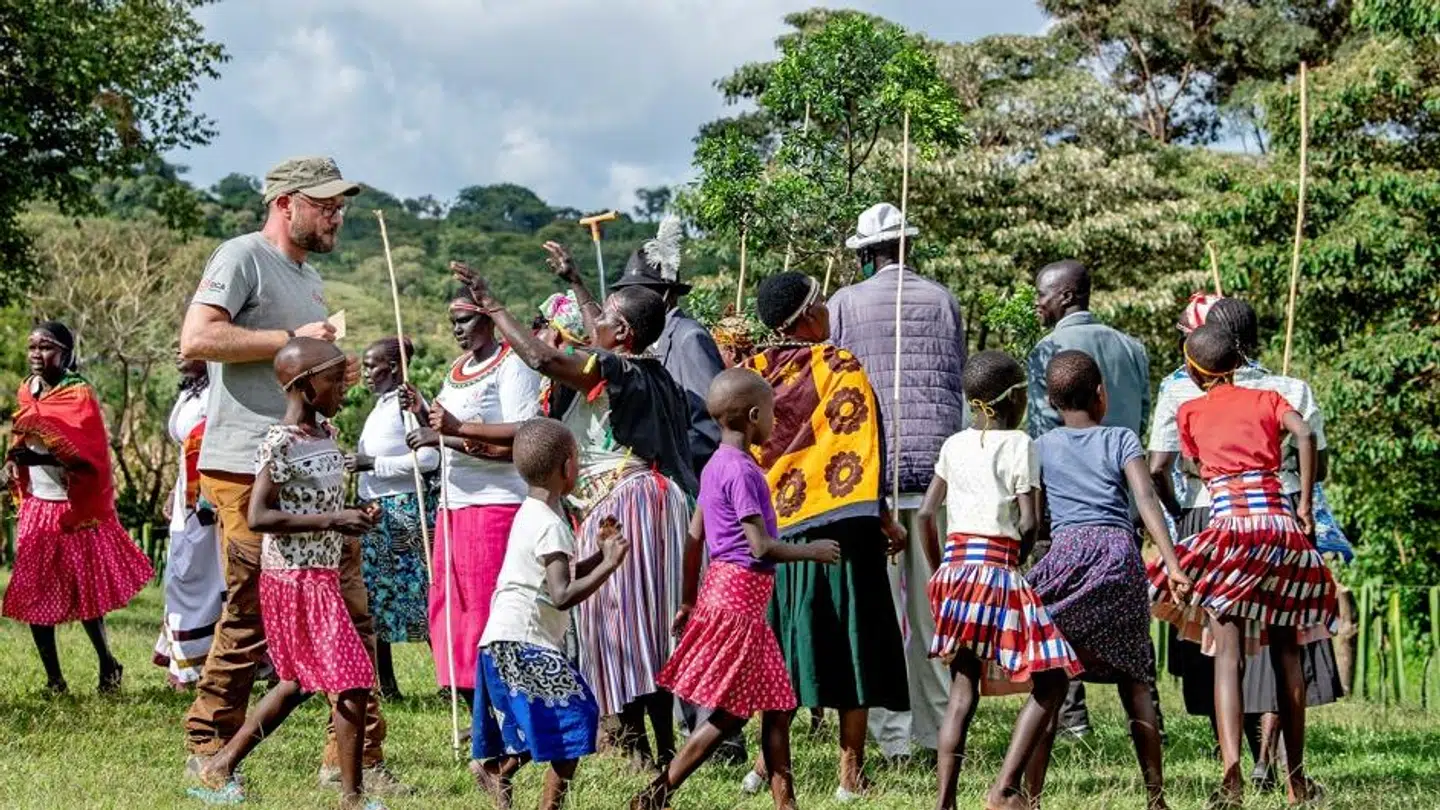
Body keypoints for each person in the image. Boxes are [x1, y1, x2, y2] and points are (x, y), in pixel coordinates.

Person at [178, 157, 401, 793]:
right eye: (326, 205)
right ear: (286, 203)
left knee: (352, 613)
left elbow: (296, 359)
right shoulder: (242, 256)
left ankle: (353, 762)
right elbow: (197, 339)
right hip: (248, 467)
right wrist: (289, 339)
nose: (337, 216)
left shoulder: (311, 277)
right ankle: (209, 747)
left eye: (340, 207)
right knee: (251, 612)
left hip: (315, 470)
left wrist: (329, 366)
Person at [449, 258, 696, 771]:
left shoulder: (611, 370)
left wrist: (492, 303)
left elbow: (540, 357)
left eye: (601, 318)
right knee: (652, 627)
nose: (590, 323)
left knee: (618, 626)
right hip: (661, 505)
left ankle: (638, 748)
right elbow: (601, 331)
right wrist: (578, 283)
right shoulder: (653, 373)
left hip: (625, 505)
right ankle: (663, 747)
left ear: (622, 333)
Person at [1148, 295, 1348, 788]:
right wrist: (1304, 507)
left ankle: (1232, 776)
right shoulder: (1273, 398)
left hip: (1230, 531)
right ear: (1238, 361)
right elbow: (1304, 437)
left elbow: (1188, 465)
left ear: (1194, 371)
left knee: (1227, 656)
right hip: (1281, 528)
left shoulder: (1189, 410)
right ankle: (1296, 780)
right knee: (1288, 652)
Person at [633, 369, 842, 810]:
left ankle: (785, 803)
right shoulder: (744, 471)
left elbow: (694, 538)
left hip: (724, 593)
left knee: (777, 706)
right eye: (771, 411)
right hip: (740, 601)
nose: (774, 419)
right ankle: (655, 794)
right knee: (733, 713)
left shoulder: (714, 465)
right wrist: (814, 551)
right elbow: (760, 546)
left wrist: (689, 600)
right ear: (753, 416)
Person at [188, 338, 382, 810]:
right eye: (335, 381)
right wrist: (333, 521)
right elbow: (258, 515)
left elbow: (319, 502)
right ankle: (352, 799)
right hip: (295, 579)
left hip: (321, 574)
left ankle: (220, 767)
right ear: (305, 385)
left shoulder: (326, 433)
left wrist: (354, 516)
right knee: (353, 680)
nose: (343, 390)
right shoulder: (281, 443)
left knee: (297, 683)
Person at [739, 271, 909, 802]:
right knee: (853, 642)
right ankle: (849, 772)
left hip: (778, 538)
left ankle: (765, 766)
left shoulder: (752, 373)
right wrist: (886, 521)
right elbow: (863, 452)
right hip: (843, 533)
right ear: (810, 316)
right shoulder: (841, 367)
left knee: (785, 644)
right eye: (823, 302)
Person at [1023, 350, 1191, 810]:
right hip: (1118, 556)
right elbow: (1146, 498)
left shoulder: (1041, 446)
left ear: (1051, 401)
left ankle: (1031, 798)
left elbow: (1033, 518)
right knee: (1135, 680)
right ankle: (1156, 798)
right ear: (1101, 395)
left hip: (1065, 557)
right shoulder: (1121, 438)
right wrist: (1173, 564)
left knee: (1049, 682)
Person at [916, 349, 1083, 810]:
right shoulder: (1020, 444)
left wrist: (941, 569)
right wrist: (1016, 561)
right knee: (1052, 680)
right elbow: (1029, 521)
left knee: (962, 691)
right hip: (996, 568)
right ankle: (1006, 789)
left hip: (955, 571)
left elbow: (926, 514)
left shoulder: (953, 445)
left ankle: (945, 803)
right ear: (1012, 399)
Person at [830, 202, 967, 761]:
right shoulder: (943, 300)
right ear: (907, 248)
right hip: (936, 474)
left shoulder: (843, 304)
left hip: (871, 476)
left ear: (866, 256)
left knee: (881, 613)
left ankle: (891, 735)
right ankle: (937, 729)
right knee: (932, 608)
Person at [469, 418, 630, 810]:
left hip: (504, 639)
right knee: (575, 721)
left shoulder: (532, 512)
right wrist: (610, 565)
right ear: (568, 466)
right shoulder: (550, 524)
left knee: (549, 723)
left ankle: (499, 772)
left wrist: (600, 554)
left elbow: (559, 576)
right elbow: (562, 594)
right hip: (524, 643)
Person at [1026, 258, 1153, 738]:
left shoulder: (1047, 350)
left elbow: (1042, 428)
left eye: (1042, 295)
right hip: (1122, 508)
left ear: (1066, 296)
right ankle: (1149, 718)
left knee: (1062, 613)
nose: (1037, 304)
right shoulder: (1132, 348)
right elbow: (1140, 419)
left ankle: (1071, 719)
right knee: (1129, 617)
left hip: (1067, 513)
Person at [403, 290, 542, 708]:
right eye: (452, 322)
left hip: (496, 504)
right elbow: (441, 428)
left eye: (464, 319)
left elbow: (523, 436)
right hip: (454, 503)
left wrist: (451, 435)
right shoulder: (457, 369)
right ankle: (472, 704)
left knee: (485, 609)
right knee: (454, 608)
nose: (457, 329)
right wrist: (420, 409)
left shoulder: (513, 364)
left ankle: (502, 705)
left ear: (488, 319)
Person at [3, 321, 153, 693]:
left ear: (66, 353)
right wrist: (12, 464)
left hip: (73, 509)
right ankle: (54, 680)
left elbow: (88, 457)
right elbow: (22, 437)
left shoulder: (78, 394)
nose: (37, 354)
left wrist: (37, 459)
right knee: (35, 593)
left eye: (46, 347)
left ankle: (108, 664)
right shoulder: (27, 389)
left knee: (84, 593)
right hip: (37, 508)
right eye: (32, 347)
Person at [348, 337, 438, 700]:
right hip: (377, 512)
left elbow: (429, 459)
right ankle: (385, 685)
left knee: (418, 595)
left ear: (395, 367)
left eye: (373, 366)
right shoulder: (381, 406)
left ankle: (452, 683)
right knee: (375, 597)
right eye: (366, 366)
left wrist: (373, 464)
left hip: (404, 512)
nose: (366, 373)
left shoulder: (408, 404)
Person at [603, 217, 724, 481]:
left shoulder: (689, 338)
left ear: (667, 294)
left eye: (640, 292)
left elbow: (711, 425)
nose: (632, 300)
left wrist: (670, 462)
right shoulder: (645, 343)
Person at [153, 356, 224, 688]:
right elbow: (187, 450)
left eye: (187, 346)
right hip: (187, 493)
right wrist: (175, 488)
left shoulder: (220, 392)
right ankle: (183, 662)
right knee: (179, 574)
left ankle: (204, 665)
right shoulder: (190, 391)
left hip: (209, 497)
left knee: (205, 578)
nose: (178, 353)